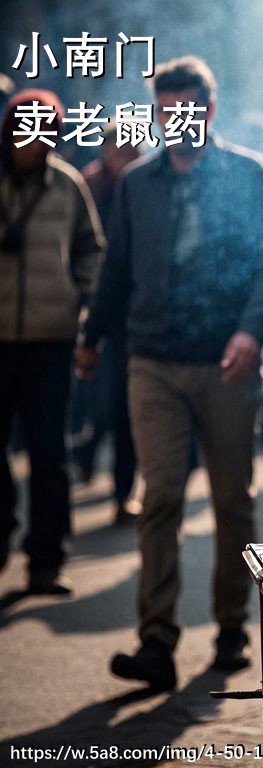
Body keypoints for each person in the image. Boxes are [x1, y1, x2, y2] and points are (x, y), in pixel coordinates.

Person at [76, 55, 263, 690]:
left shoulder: (248, 175)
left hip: (228, 364)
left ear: (209, 109)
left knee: (232, 503)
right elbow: (116, 271)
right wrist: (91, 339)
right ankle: (157, 643)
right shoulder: (139, 185)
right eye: (165, 112)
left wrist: (252, 333)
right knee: (160, 497)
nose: (176, 122)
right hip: (154, 365)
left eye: (187, 110)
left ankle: (230, 629)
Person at [0, 88, 103, 594]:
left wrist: (78, 297)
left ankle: (47, 558)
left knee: (48, 452)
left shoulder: (67, 185)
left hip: (51, 338)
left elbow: (92, 247)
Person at [72, 124, 142, 525]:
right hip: (102, 311)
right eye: (121, 148)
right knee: (107, 405)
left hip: (140, 315)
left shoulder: (147, 184)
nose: (127, 156)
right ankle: (86, 449)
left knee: (126, 411)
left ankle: (121, 493)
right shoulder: (90, 186)